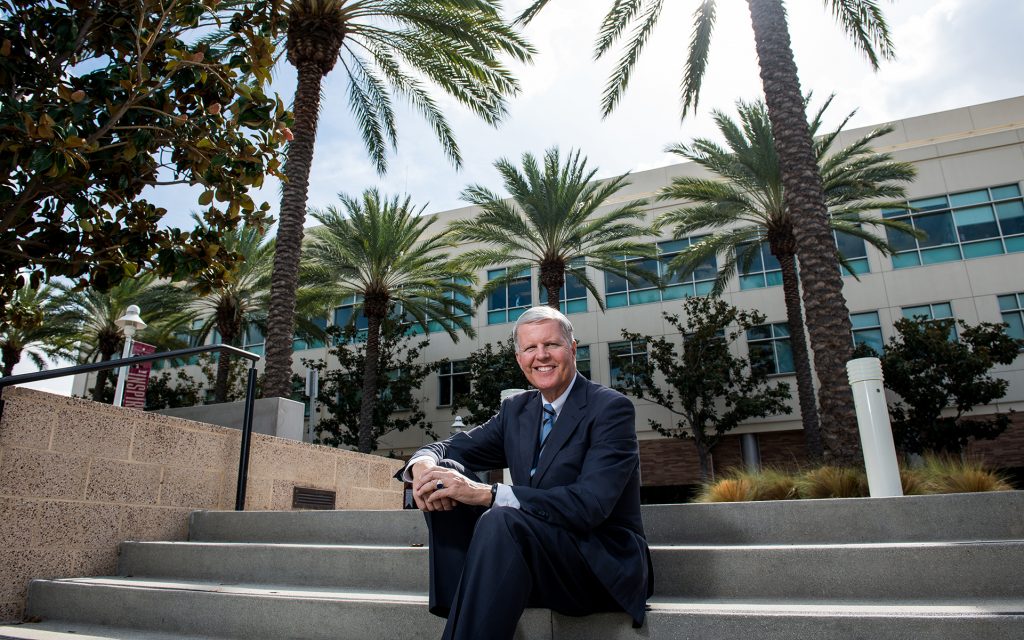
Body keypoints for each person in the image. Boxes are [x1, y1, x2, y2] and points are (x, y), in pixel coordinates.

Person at [400, 306, 653, 640]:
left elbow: (590, 505)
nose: (541, 356)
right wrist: (422, 465)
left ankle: (470, 615)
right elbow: (453, 447)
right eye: (530, 348)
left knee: (500, 517)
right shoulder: (516, 411)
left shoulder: (609, 409)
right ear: (519, 358)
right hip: (538, 560)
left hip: (596, 563)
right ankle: (470, 595)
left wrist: (487, 494)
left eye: (552, 345)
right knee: (443, 474)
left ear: (573, 349)